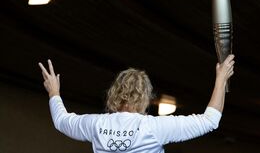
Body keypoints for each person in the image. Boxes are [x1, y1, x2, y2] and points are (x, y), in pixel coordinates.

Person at [38, 54, 235, 153]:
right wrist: (221, 79)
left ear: (114, 94)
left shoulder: (96, 125)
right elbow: (211, 120)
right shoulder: (153, 128)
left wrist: (54, 92)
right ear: (146, 98)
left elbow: (61, 121)